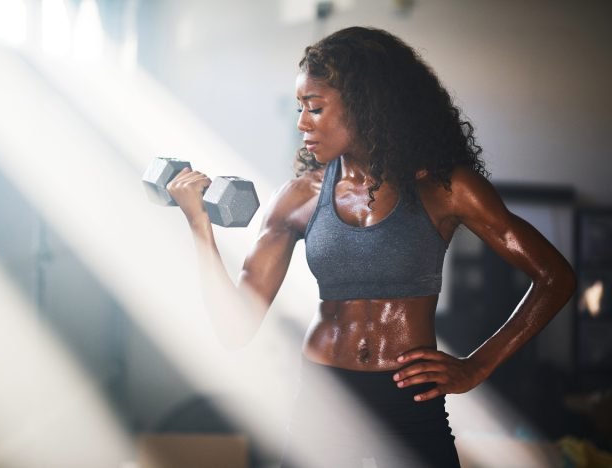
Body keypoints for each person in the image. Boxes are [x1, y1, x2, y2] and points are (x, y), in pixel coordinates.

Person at [166, 26, 576, 468]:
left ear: (366, 106)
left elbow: (555, 277)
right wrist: (198, 224)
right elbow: (235, 328)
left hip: (409, 398)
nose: (302, 123)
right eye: (300, 108)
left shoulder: (446, 189)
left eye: (315, 108)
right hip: (325, 397)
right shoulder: (299, 197)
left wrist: (476, 366)